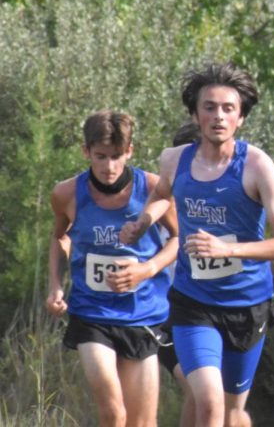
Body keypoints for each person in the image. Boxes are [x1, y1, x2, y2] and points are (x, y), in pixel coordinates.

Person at [120, 63, 274, 427]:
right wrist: (143, 221)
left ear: (241, 118)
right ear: (195, 114)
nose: (218, 116)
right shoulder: (174, 160)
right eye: (210, 107)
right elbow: (160, 195)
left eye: (228, 108)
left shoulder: (258, 166)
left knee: (233, 413)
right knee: (210, 404)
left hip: (248, 306)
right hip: (193, 304)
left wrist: (227, 249)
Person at [46, 110, 179, 427]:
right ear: (86, 151)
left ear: (130, 151)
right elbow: (59, 237)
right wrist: (55, 284)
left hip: (142, 313)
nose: (109, 166)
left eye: (117, 156)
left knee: (142, 422)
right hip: (92, 314)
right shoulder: (66, 193)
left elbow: (178, 237)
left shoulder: (153, 188)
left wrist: (147, 269)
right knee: (113, 413)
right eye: (101, 156)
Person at [156, 122, 202, 427]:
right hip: (165, 318)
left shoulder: (219, 206)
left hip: (211, 313)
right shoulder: (156, 206)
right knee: (198, 389)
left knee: (218, 399)